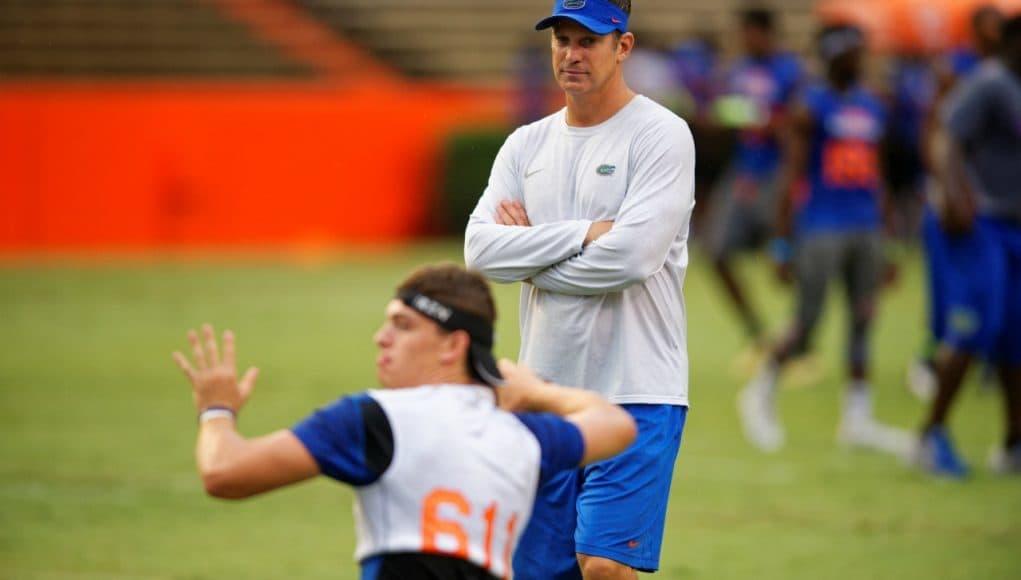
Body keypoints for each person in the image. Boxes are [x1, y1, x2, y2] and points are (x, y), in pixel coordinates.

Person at [171, 264, 637, 579]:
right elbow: (615, 425)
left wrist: (216, 410)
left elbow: (224, 472)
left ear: (453, 346)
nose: (381, 338)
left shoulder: (374, 419)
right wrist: (534, 390)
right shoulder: (520, 433)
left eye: (403, 325)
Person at [463, 1, 694, 577]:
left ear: (624, 46)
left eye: (588, 40)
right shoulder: (525, 145)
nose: (571, 53)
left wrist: (533, 255)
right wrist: (582, 235)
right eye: (562, 39)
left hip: (639, 387)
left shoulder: (662, 135)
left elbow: (633, 258)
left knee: (603, 567)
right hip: (544, 395)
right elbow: (480, 250)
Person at [737, 23, 911, 456]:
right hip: (821, 225)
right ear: (833, 55)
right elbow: (792, 174)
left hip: (865, 223)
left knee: (864, 318)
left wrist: (888, 238)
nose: (858, 58)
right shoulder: (810, 105)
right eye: (850, 51)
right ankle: (760, 391)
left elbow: (878, 175)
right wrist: (781, 242)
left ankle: (858, 416)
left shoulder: (872, 104)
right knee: (807, 322)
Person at [914, 13, 1021, 478]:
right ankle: (929, 435)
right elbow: (945, 138)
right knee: (973, 328)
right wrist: (956, 198)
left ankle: (1014, 443)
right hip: (983, 227)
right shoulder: (989, 82)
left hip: (1014, 227)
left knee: (1014, 338)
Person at [906, 5, 1005, 402]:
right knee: (949, 284)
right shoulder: (957, 69)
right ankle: (931, 355)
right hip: (958, 196)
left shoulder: (1005, 74)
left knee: (992, 289)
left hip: (994, 199)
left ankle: (983, 359)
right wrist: (944, 186)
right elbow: (936, 131)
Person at [706, 7, 803, 358]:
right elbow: (725, 111)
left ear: (766, 33)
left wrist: (772, 123)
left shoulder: (790, 71)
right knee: (715, 251)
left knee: (785, 261)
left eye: (750, 33)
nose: (745, 41)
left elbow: (798, 123)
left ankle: (799, 336)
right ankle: (758, 334)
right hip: (743, 172)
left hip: (778, 173)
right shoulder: (737, 71)